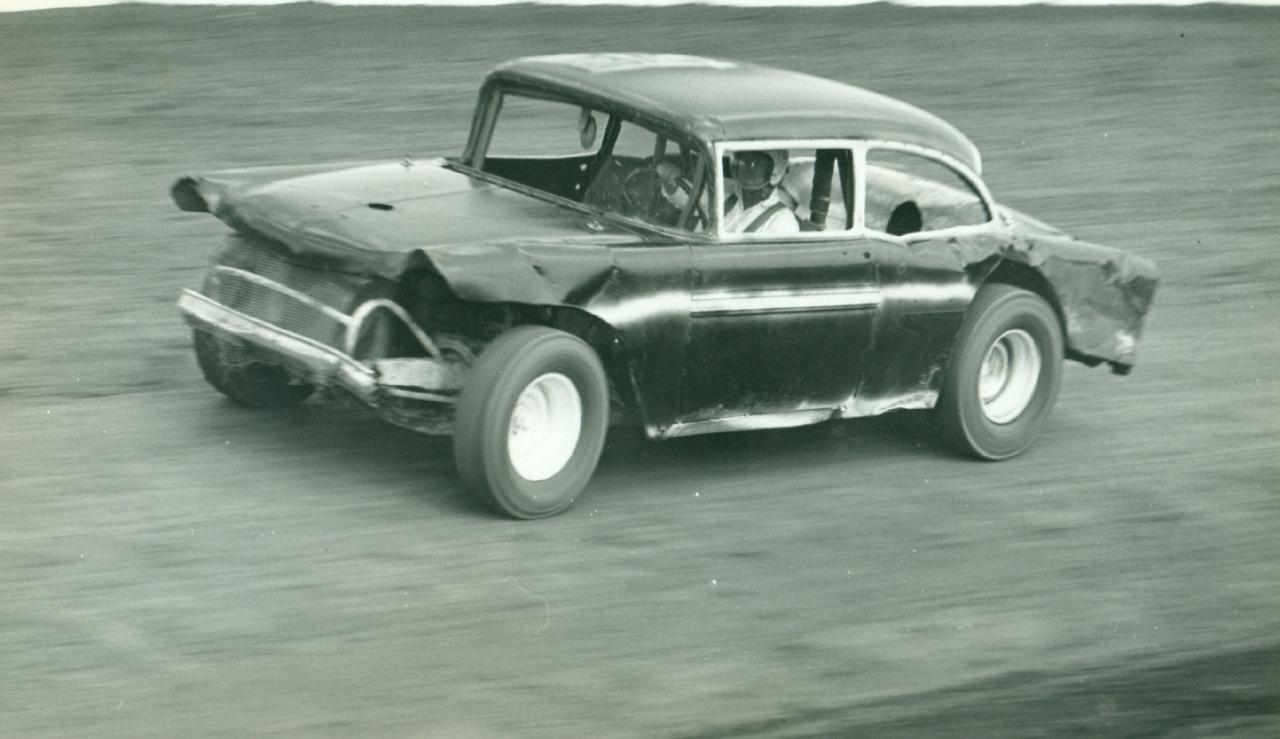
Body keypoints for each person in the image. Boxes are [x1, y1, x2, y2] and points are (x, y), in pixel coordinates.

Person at [723, 150, 800, 234]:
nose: (747, 168)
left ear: (774, 172)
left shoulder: (783, 221)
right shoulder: (724, 192)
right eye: (743, 161)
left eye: (756, 163)